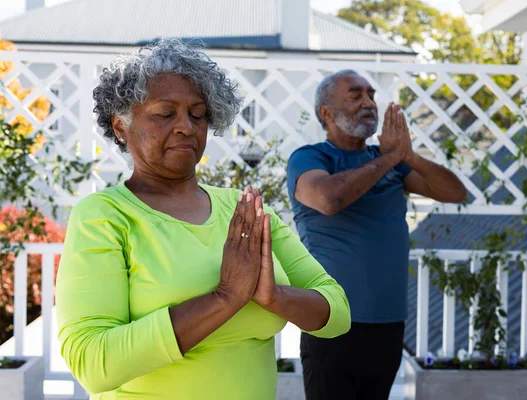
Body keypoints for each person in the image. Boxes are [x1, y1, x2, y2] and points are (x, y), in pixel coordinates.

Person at [55, 39, 350, 400]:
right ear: (121, 126)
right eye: (165, 113)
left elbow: (337, 311)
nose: (186, 127)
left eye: (197, 114)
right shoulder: (104, 216)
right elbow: (93, 363)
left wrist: (274, 297)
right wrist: (225, 298)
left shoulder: (246, 212)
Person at [287, 70, 467, 400]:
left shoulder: (392, 165)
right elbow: (329, 199)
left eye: (371, 95)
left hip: (388, 323)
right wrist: (390, 159)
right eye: (355, 96)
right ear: (326, 113)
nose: (369, 103)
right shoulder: (311, 157)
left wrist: (407, 157)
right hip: (331, 319)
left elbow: (454, 192)